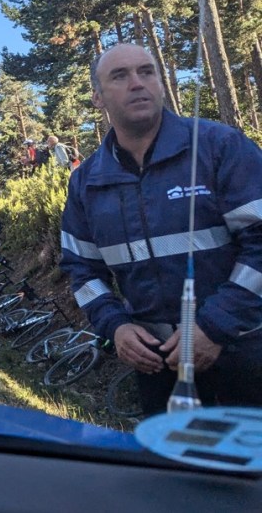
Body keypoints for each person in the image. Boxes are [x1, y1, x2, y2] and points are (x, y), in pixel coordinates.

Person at [61, 42, 262, 414]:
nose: (137, 83)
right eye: (119, 76)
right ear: (97, 98)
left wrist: (214, 327)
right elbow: (80, 268)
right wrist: (116, 326)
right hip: (157, 369)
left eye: (147, 71)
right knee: (173, 471)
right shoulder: (87, 182)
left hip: (244, 354)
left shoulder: (220, 148)